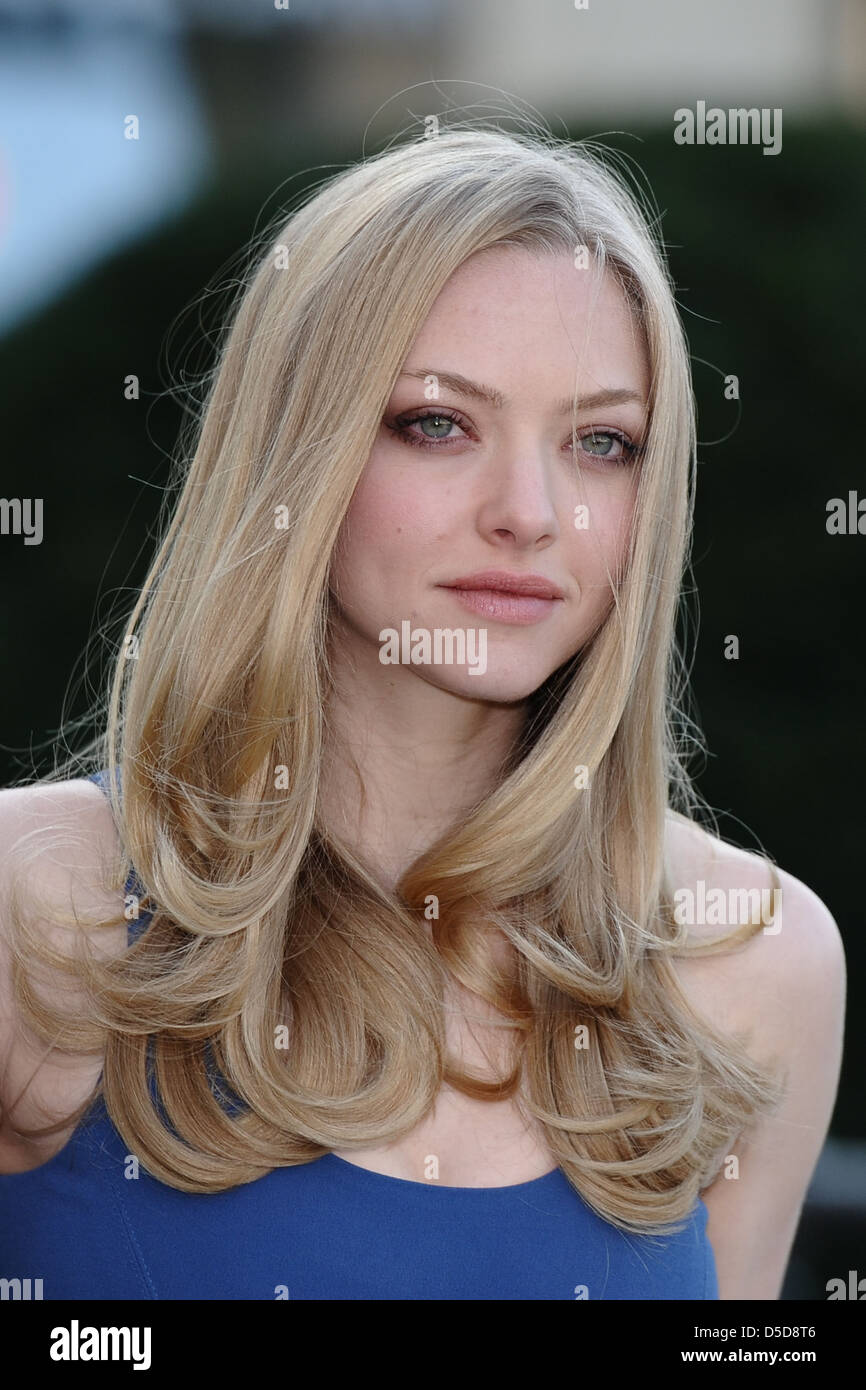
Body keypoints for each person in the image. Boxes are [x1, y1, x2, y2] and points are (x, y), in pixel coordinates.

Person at [0, 126, 845, 1301]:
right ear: (299, 453)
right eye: (437, 423)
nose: (528, 511)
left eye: (600, 442)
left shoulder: (750, 961)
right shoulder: (39, 907)